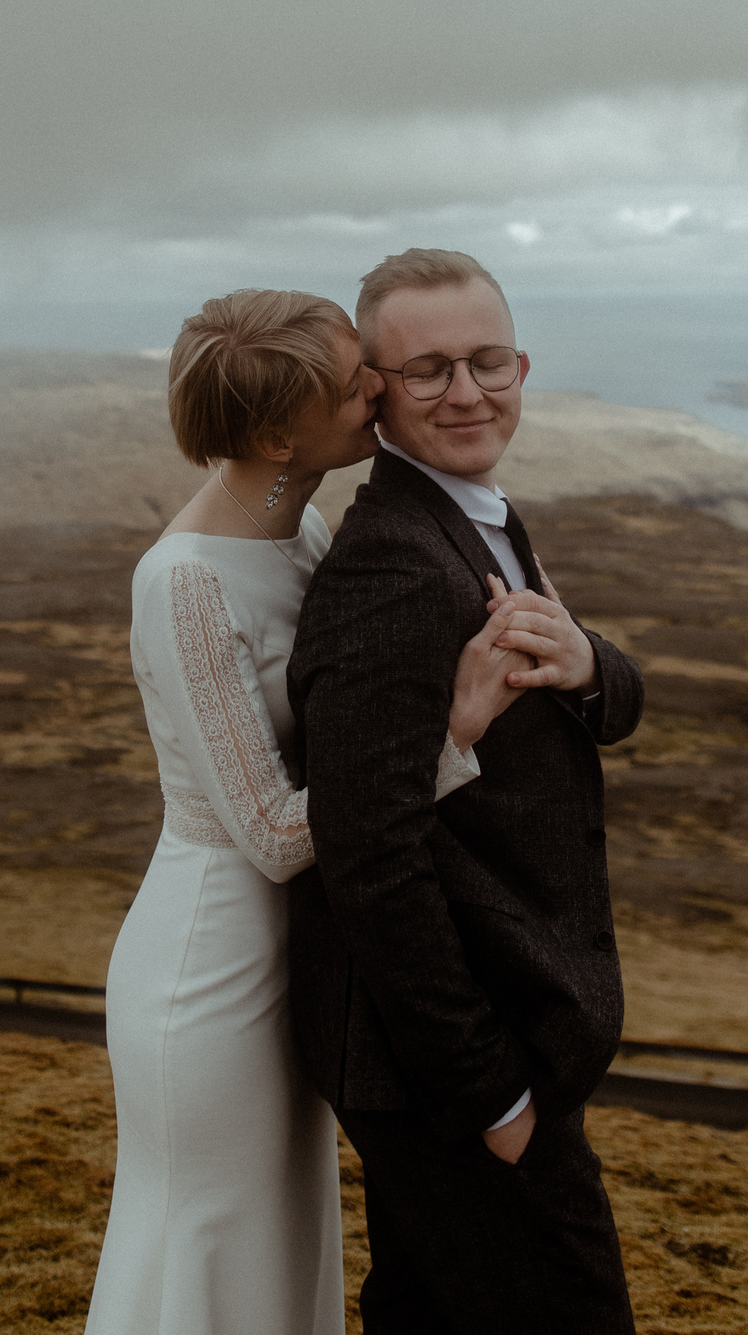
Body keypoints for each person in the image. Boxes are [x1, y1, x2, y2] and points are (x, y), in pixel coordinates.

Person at [85, 288, 535, 1335]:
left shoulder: (305, 527)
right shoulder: (186, 583)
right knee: (209, 1236)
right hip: (211, 963)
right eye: (352, 384)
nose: (379, 386)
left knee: (282, 1236)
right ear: (279, 431)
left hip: (291, 956)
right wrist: (449, 741)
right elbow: (275, 834)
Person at [288, 249, 646, 1334]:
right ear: (376, 391)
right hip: (448, 1060)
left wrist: (587, 661)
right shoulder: (395, 565)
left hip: (483, 1038)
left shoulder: (473, 513)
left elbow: (594, 696)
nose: (466, 391)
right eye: (429, 369)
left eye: (487, 361)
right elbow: (367, 853)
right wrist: (485, 1088)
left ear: (522, 365)